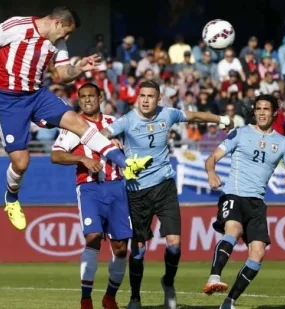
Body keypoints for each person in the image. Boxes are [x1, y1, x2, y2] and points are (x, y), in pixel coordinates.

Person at [0, 6, 142, 231]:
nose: (67, 38)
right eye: (67, 32)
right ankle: (11, 199)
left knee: (80, 123)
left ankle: (125, 164)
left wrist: (80, 68)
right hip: (7, 99)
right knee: (21, 162)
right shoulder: (18, 26)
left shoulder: (57, 43)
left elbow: (61, 75)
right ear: (58, 23)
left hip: (37, 95)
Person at [100, 80, 234, 309]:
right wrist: (107, 144)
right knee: (139, 250)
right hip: (136, 191)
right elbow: (103, 133)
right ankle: (135, 297)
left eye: (150, 96)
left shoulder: (168, 114)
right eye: (141, 95)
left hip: (164, 186)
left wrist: (221, 119)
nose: (144, 100)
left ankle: (168, 283)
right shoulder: (128, 120)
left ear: (158, 98)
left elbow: (195, 116)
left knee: (174, 243)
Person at [51, 83, 146, 309]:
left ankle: (110, 296)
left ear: (100, 97)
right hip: (89, 188)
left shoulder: (115, 123)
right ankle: (86, 299)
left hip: (117, 187)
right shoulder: (73, 126)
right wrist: (82, 159)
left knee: (121, 247)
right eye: (82, 97)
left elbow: (133, 150)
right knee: (92, 237)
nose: (86, 100)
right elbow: (55, 155)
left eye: (91, 96)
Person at [202, 94, 285, 309]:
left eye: (267, 109)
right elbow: (212, 159)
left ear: (275, 112)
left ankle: (229, 301)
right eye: (259, 109)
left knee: (258, 253)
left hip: (257, 202)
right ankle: (213, 277)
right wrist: (211, 173)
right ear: (254, 111)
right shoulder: (240, 133)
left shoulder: (284, 144)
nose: (262, 113)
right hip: (234, 195)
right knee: (233, 230)